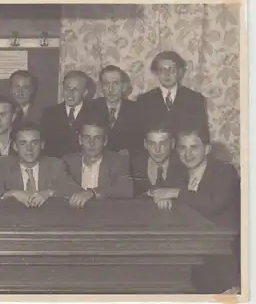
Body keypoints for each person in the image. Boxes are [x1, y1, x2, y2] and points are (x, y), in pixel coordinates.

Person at [149, 127, 240, 294]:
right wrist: (163, 199)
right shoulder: (177, 173)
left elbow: (214, 203)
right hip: (186, 255)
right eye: (182, 148)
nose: (187, 154)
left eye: (194, 147)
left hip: (221, 261)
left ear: (207, 149)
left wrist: (175, 193)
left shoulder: (225, 172)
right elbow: (160, 193)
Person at [0, 122, 82, 207]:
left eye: (34, 143)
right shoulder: (7, 165)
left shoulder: (55, 165)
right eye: (23, 143)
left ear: (42, 145)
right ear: (15, 147)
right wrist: (12, 193)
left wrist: (50, 193)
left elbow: (73, 189)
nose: (29, 149)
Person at [136, 51, 209, 137]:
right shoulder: (144, 100)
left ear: (180, 72)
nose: (167, 74)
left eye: (172, 69)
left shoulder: (195, 99)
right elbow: (139, 136)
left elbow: (202, 135)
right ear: (156, 73)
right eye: (162, 70)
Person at [63, 120, 133, 208]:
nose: (91, 143)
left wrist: (92, 193)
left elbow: (126, 189)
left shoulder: (117, 161)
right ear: (80, 140)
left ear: (105, 141)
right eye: (87, 137)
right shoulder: (68, 161)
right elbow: (61, 186)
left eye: (97, 138)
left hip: (106, 216)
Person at [41, 70, 97, 158]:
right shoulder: (49, 113)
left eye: (76, 89)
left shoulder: (94, 114)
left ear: (85, 92)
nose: (70, 94)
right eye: (67, 88)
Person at [90, 65, 141, 155]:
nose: (111, 89)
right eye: (106, 84)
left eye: (116, 83)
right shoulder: (90, 108)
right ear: (101, 87)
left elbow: (140, 143)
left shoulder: (137, 110)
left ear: (124, 87)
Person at [130, 122, 187, 197]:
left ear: (172, 143)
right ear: (145, 144)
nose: (157, 149)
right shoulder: (135, 164)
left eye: (163, 143)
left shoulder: (183, 164)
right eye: (152, 143)